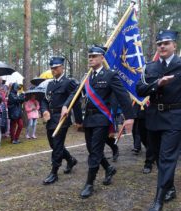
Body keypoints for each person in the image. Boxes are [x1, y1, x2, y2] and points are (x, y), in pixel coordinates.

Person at [62, 45, 134, 198]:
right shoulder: (87, 77)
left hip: (102, 119)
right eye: (89, 56)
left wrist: (130, 116)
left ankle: (89, 183)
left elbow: (122, 96)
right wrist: (65, 105)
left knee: (94, 151)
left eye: (94, 56)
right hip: (89, 119)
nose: (91, 59)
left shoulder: (110, 75)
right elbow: (75, 93)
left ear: (102, 58)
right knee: (92, 149)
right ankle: (108, 169)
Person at [136, 29, 181, 211]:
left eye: (166, 43)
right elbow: (139, 89)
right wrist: (157, 84)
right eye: (159, 44)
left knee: (166, 158)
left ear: (174, 46)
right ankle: (170, 188)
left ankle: (157, 204)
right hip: (153, 116)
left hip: (175, 116)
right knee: (155, 155)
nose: (162, 46)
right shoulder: (150, 67)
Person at [41, 56, 83, 185]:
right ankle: (70, 160)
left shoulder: (69, 82)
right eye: (52, 68)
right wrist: (44, 110)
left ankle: (54, 173)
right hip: (50, 119)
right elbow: (44, 100)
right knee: (53, 145)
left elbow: (76, 98)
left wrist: (78, 119)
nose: (53, 70)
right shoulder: (50, 84)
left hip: (62, 118)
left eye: (56, 67)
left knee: (57, 145)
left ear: (62, 67)